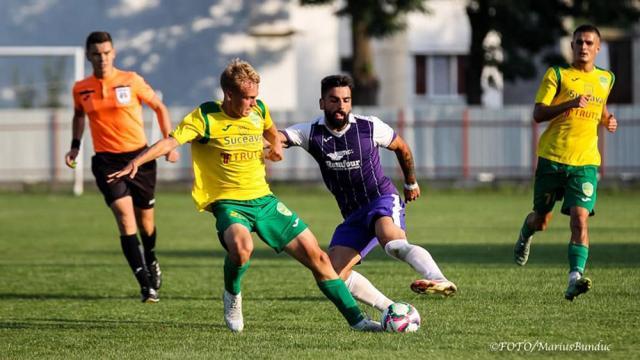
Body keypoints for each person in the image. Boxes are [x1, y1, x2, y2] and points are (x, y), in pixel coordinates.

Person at [108, 59, 380, 332]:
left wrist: (276, 148)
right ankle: (232, 295)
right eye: (247, 98)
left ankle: (358, 321)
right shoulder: (205, 117)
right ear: (229, 94)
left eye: (255, 97)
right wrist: (137, 161)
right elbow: (170, 141)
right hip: (228, 202)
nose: (252, 103)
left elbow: (273, 133)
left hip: (264, 200)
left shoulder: (259, 110)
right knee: (241, 249)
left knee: (319, 260)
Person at [277, 74, 457, 313]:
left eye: (346, 100)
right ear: (322, 103)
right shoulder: (312, 133)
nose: (340, 106)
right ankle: (392, 309)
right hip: (353, 215)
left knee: (392, 243)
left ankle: (437, 277)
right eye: (334, 100)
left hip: (380, 199)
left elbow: (401, 147)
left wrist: (411, 182)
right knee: (332, 275)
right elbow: (280, 137)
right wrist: (263, 142)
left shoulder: (369, 126)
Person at [64, 31, 179, 303]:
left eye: (106, 53)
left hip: (140, 159)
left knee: (146, 222)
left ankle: (150, 257)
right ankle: (145, 285)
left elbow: (159, 108)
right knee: (124, 217)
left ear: (113, 53)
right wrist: (75, 145)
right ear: (88, 56)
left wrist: (169, 144)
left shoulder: (131, 80)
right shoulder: (81, 87)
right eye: (96, 53)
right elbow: (79, 115)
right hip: (106, 162)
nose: (102, 58)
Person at [513, 24, 618, 301]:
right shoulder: (558, 75)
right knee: (542, 220)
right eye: (579, 42)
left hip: (585, 163)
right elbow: (538, 114)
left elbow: (600, 110)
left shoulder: (606, 79)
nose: (583, 47)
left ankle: (575, 278)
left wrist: (608, 120)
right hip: (552, 159)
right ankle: (526, 232)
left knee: (580, 219)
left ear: (597, 48)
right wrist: (569, 103)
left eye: (589, 43)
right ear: (572, 46)